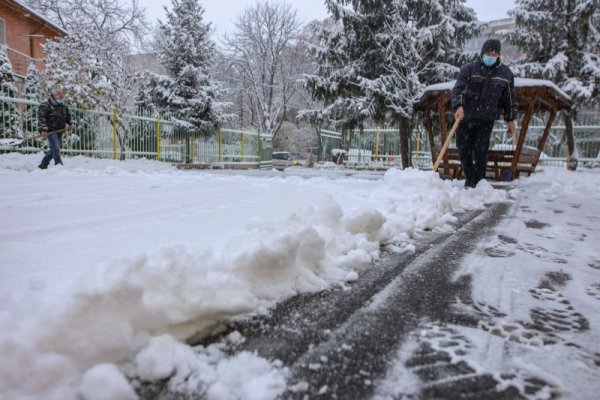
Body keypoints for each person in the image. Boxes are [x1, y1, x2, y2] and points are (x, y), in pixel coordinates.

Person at [451, 38, 518, 188]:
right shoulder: (469, 69)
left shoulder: (505, 74)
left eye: (495, 53)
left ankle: (479, 183)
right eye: (489, 52)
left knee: (481, 151)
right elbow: (458, 90)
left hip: (486, 119)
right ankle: (470, 178)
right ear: (482, 53)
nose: (491, 56)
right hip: (466, 118)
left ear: (498, 55)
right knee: (463, 149)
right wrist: (458, 106)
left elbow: (509, 99)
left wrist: (510, 119)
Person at [38, 87, 76, 169]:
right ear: (53, 95)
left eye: (62, 95)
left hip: (60, 131)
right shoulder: (45, 105)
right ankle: (59, 166)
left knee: (54, 150)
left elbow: (68, 117)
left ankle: (43, 165)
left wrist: (71, 123)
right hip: (51, 131)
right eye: (59, 94)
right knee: (56, 148)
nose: (61, 96)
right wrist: (44, 129)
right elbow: (42, 118)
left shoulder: (63, 107)